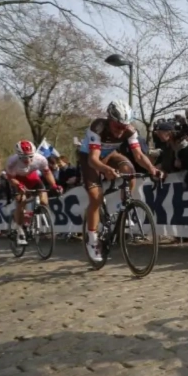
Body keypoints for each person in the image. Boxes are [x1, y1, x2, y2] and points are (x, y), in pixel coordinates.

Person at [78, 100, 162, 262]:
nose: (120, 131)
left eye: (124, 127)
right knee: (96, 197)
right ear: (109, 119)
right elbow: (94, 159)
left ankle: (124, 206)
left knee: (130, 171)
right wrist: (106, 170)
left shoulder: (129, 131)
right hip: (90, 158)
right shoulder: (98, 127)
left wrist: (152, 169)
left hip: (110, 154)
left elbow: (138, 155)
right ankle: (92, 239)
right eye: (117, 126)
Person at [5, 140, 63, 245]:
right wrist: (19, 185)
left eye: (30, 156)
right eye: (23, 157)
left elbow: (47, 173)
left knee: (44, 201)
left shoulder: (40, 159)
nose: (27, 159)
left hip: (33, 178)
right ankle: (20, 230)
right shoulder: (12, 162)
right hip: (17, 180)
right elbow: (10, 179)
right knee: (21, 201)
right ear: (18, 155)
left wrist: (54, 185)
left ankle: (35, 217)